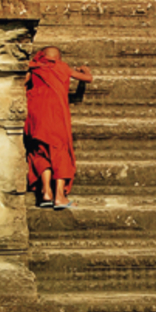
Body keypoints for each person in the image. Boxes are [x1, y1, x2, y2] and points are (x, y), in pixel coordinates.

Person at [24, 47, 93, 210]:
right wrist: (85, 69)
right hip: (56, 117)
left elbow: (21, 82)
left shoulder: (35, 69)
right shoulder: (63, 68)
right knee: (60, 153)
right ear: (58, 58)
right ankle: (59, 196)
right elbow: (88, 78)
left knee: (41, 152)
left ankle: (46, 192)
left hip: (37, 116)